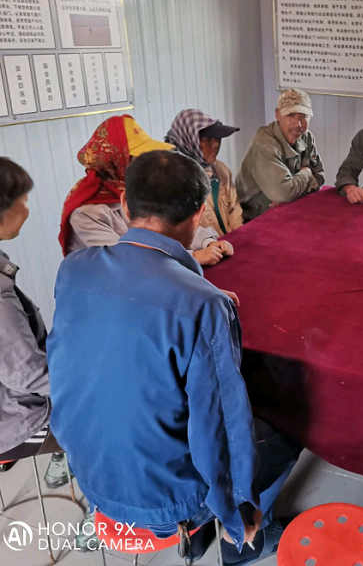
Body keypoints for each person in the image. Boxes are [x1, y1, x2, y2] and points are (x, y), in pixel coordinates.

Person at [48, 151, 301, 564]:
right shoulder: (203, 306)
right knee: (288, 425)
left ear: (124, 204)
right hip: (167, 502)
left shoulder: (75, 268)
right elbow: (220, 426)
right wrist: (237, 511)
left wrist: (196, 294)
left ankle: (195, 535)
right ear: (200, 213)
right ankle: (238, 545)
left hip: (89, 478)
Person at [59, 115, 232, 266]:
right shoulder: (86, 214)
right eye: (138, 158)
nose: (146, 165)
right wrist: (192, 257)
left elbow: (173, 223)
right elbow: (127, 258)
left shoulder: (139, 189)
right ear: (116, 161)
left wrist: (207, 242)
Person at [0, 158, 68, 485]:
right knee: (111, 416)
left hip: (12, 401)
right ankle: (103, 507)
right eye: (22, 201)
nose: (27, 210)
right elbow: (26, 374)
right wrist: (89, 385)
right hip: (16, 421)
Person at [236, 88, 325, 221]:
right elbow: (284, 192)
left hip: (292, 209)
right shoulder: (264, 145)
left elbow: (319, 177)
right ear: (278, 115)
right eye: (291, 115)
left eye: (304, 116)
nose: (298, 124)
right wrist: (306, 173)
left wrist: (289, 198)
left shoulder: (306, 137)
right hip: (256, 217)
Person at [165, 108, 244, 236]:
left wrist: (239, 237)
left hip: (227, 243)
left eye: (217, 138)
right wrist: (209, 244)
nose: (215, 145)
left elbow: (234, 210)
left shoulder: (220, 169)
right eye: (207, 139)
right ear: (188, 140)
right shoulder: (171, 177)